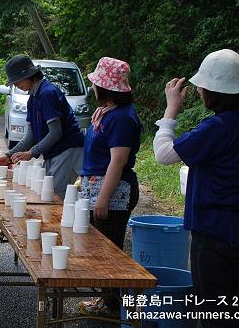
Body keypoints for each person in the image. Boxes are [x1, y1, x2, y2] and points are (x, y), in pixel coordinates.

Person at [153, 49, 239, 327]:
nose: (199, 90)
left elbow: (163, 154)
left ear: (215, 92)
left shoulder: (218, 127)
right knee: (228, 310)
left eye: (203, 86)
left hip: (215, 234)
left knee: (215, 315)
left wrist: (171, 109)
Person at [77, 57, 142, 315]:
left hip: (114, 192)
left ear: (105, 88)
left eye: (96, 83)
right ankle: (107, 301)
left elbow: (118, 160)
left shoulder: (122, 118)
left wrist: (103, 198)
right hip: (97, 186)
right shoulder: (108, 112)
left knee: (109, 251)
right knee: (100, 248)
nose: (93, 87)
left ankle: (113, 306)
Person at [0, 54, 84, 199]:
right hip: (54, 152)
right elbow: (31, 136)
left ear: (29, 75)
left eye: (17, 81)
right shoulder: (32, 99)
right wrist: (8, 156)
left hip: (68, 149)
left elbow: (56, 132)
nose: (16, 85)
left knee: (54, 196)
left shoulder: (48, 93)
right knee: (45, 193)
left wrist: (31, 153)